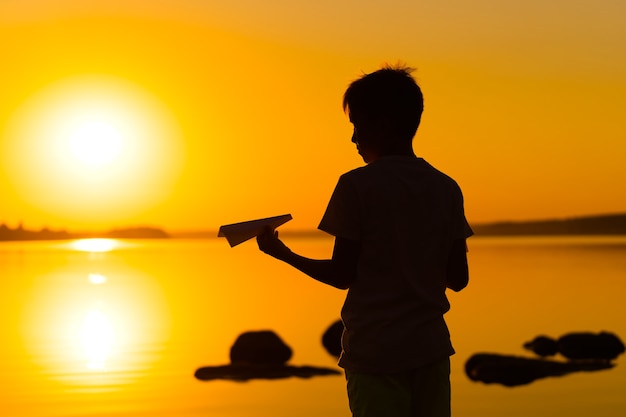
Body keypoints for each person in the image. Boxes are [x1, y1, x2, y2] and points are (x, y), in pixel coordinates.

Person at [256, 64, 472, 417]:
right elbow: (459, 280)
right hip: (431, 354)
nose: (354, 138)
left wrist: (283, 254)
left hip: (375, 356)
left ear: (382, 124)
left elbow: (342, 275)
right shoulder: (446, 188)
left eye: (357, 125)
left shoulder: (356, 185)